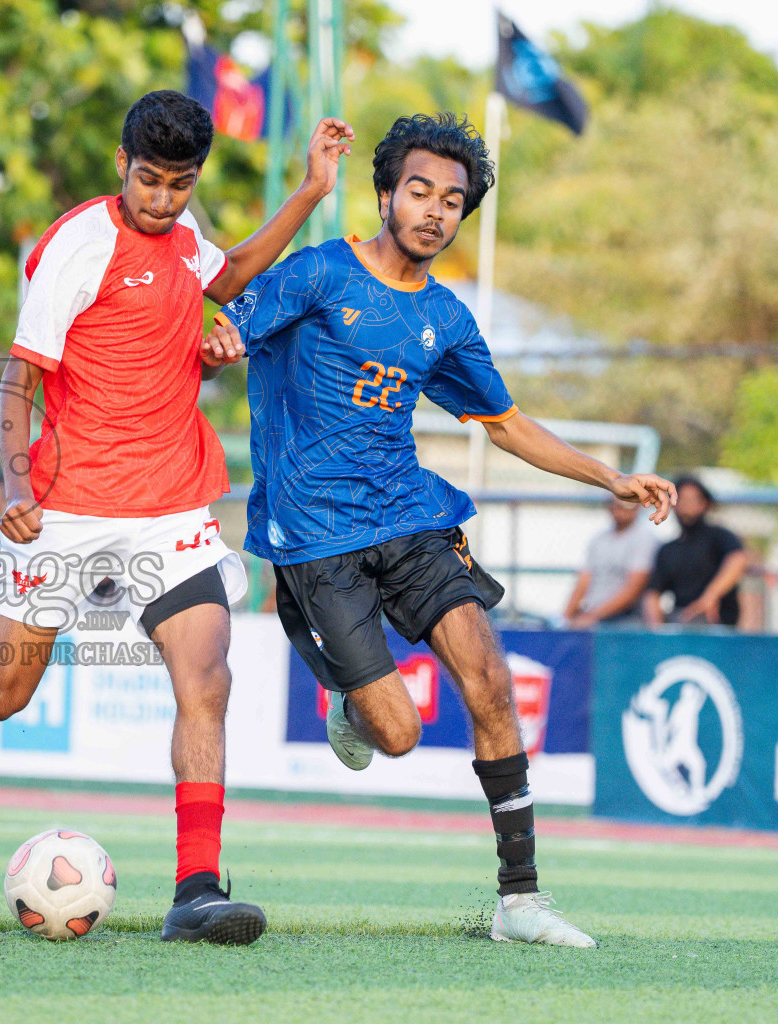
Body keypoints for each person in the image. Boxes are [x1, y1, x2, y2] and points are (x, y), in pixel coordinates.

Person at [0, 91, 358, 946]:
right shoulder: (74, 248)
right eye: (149, 181)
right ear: (122, 165)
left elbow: (224, 279)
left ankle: (196, 888)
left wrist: (309, 191)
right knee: (3, 694)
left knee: (207, 680)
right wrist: (13, 488)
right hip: (70, 505)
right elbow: (17, 380)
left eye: (179, 185)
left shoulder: (186, 236)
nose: (162, 200)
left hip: (173, 501)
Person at [206, 112, 677, 948]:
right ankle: (356, 704)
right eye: (419, 190)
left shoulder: (448, 320)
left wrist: (614, 477)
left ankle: (521, 901)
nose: (433, 210)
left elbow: (508, 424)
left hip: (413, 518)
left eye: (452, 201)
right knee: (398, 734)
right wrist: (222, 340)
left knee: (489, 681)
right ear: (386, 193)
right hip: (314, 539)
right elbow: (228, 324)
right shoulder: (318, 273)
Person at [643, 476, 745, 627]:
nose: (686, 506)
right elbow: (653, 592)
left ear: (704, 504)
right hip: (681, 621)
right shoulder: (668, 550)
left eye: (693, 499)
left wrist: (709, 598)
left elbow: (737, 560)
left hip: (717, 622)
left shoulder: (719, 536)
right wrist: (656, 629)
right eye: (681, 499)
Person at [564, 497, 658, 627]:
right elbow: (583, 581)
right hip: (592, 613)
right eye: (615, 503)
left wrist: (591, 617)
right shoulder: (598, 539)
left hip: (624, 618)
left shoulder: (645, 538)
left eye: (626, 503)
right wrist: (565, 618)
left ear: (638, 506)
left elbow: (633, 590)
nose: (619, 507)